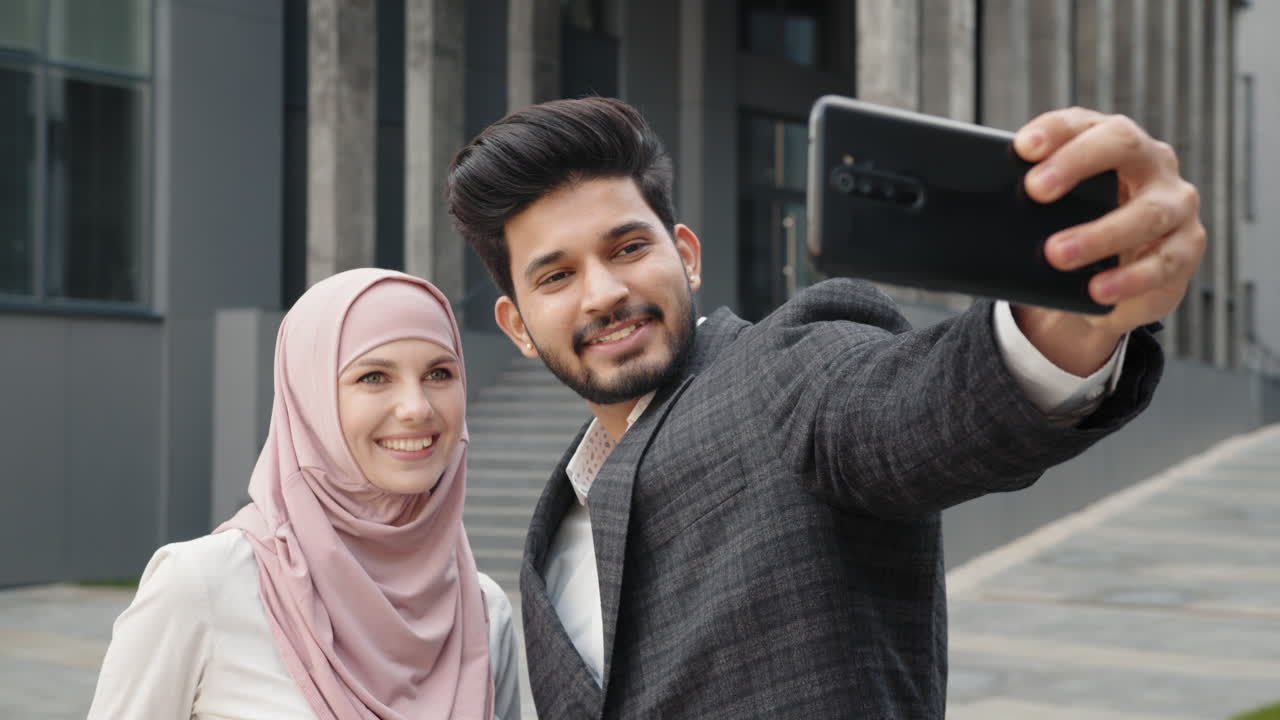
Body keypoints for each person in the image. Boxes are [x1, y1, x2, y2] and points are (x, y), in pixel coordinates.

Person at [445, 97, 1204, 718]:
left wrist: (1074, 313)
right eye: (555, 277)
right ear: (516, 326)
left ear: (687, 254)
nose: (604, 292)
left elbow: (915, 410)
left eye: (626, 248)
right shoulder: (549, 537)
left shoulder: (786, 376)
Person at [88, 269, 520, 720]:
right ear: (308, 399)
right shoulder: (203, 586)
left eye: (439, 373)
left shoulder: (484, 613)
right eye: (374, 377)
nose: (417, 407)